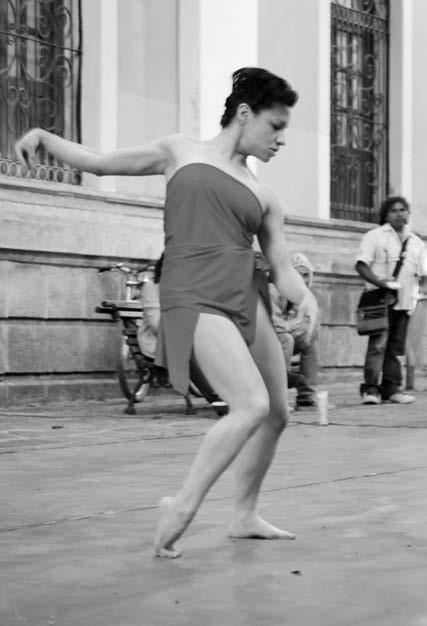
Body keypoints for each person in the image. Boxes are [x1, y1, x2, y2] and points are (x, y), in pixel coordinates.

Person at [15, 67, 319, 559]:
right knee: (250, 405)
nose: (282, 139)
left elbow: (282, 268)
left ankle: (244, 515)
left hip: (245, 292)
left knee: (278, 411)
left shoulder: (265, 196)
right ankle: (181, 506)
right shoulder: (181, 151)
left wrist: (305, 297)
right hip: (192, 292)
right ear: (245, 114)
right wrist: (45, 138)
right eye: (276, 126)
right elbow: (101, 162)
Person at [355, 195, 426, 405]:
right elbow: (361, 265)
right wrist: (381, 283)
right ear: (385, 215)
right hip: (379, 299)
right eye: (394, 210)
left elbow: (423, 273)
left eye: (403, 210)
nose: (399, 214)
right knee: (378, 345)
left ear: (408, 214)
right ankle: (371, 389)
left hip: (406, 301)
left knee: (396, 347)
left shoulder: (416, 242)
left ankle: (391, 389)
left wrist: (420, 293)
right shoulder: (374, 236)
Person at [138, 254, 228, 414]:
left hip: (185, 337)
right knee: (186, 347)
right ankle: (216, 398)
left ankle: (232, 393)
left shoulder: (187, 289)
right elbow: (156, 324)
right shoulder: (152, 287)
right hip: (158, 342)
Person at [268, 253, 320, 407]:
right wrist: (293, 325)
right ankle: (279, 397)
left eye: (306, 275)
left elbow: (307, 324)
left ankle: (307, 394)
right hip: (266, 341)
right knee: (287, 339)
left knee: (310, 336)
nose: (302, 279)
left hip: (283, 336)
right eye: (298, 275)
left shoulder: (304, 297)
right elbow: (276, 327)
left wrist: (300, 328)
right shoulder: (274, 290)